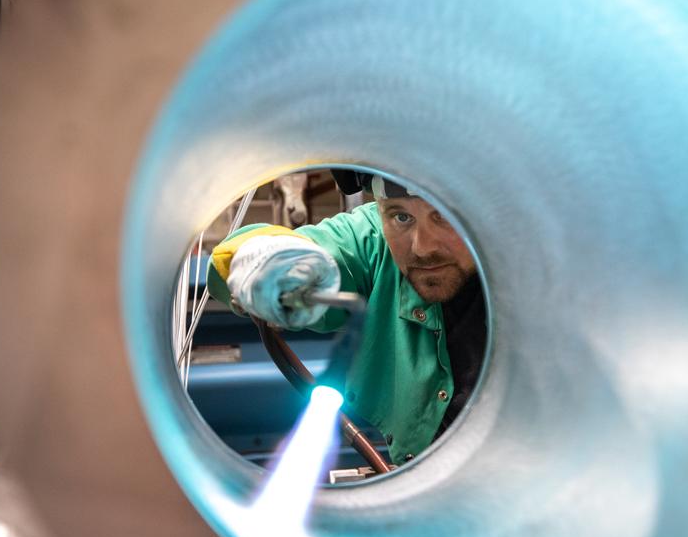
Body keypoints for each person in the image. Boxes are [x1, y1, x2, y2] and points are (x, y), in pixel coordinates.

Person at [206, 174, 487, 467]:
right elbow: (240, 254)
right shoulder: (373, 241)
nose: (422, 247)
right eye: (401, 217)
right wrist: (263, 258)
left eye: (442, 215)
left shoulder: (531, 249)